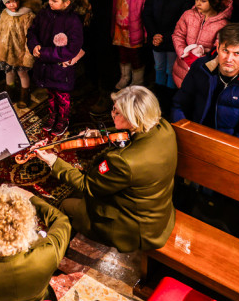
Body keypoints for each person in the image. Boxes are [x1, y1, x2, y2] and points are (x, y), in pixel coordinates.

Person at [31, 86, 177, 253]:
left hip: (134, 229)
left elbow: (87, 185)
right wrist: (104, 133)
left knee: (65, 205)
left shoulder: (123, 162)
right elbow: (131, 131)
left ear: (132, 118)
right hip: (160, 213)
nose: (112, 113)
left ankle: (54, 250)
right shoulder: (164, 127)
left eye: (117, 112)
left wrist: (52, 160)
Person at [172, 22, 239, 142]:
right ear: (218, 47)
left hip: (225, 149)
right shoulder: (201, 67)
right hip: (192, 137)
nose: (229, 59)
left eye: (237, 53)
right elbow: (179, 105)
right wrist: (185, 134)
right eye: (225, 50)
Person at [27, 0, 91, 136]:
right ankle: (53, 115)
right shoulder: (44, 14)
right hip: (45, 67)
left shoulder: (73, 21)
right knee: (50, 94)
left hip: (61, 70)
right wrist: (34, 45)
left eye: (54, 0)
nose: (49, 2)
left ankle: (63, 119)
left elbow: (72, 49)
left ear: (66, 3)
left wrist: (45, 54)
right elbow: (32, 31)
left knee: (62, 96)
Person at [143, 0, 193, 91]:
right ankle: (159, 93)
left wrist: (164, 36)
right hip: (156, 39)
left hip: (173, 41)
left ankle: (169, 95)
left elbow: (183, 22)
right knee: (158, 66)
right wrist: (154, 34)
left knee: (171, 69)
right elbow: (147, 13)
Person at [0, 0, 41, 108]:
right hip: (7, 53)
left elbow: (30, 37)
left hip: (21, 54)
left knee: (22, 74)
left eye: (15, 0)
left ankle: (25, 95)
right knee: (8, 73)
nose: (12, 4)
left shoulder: (27, 15)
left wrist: (28, 56)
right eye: (8, 2)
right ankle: (10, 93)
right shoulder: (4, 13)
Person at [111, 0, 148, 92]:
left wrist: (146, 33)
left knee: (135, 56)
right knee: (122, 55)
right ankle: (125, 77)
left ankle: (138, 81)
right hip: (120, 31)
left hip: (134, 32)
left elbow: (145, 16)